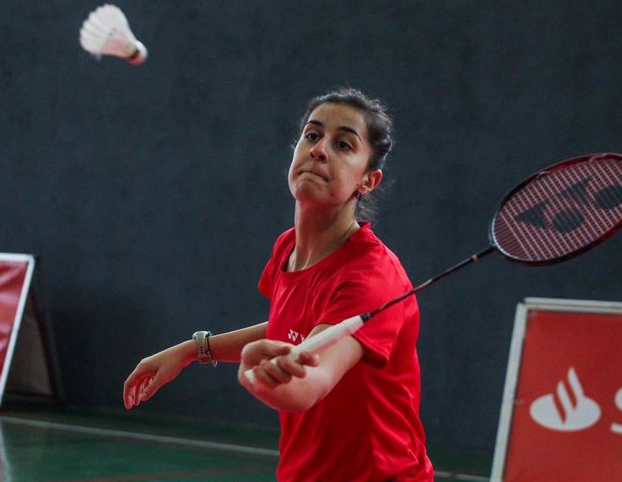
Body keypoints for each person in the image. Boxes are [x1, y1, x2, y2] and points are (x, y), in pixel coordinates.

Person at [123, 87, 434, 481]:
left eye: (343, 144)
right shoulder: (288, 247)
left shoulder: (371, 277)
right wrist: (192, 350)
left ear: (368, 181)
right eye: (312, 135)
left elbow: (311, 383)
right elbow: (292, 330)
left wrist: (263, 379)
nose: (320, 150)